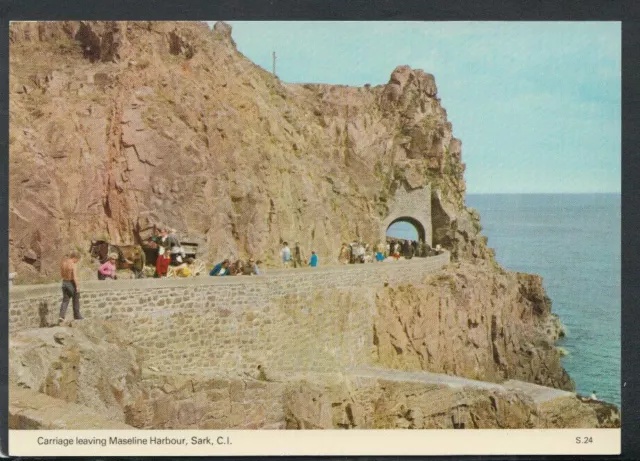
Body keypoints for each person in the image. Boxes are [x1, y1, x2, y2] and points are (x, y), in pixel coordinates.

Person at [59, 251, 83, 324]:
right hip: (71, 282)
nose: (77, 261)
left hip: (64, 282)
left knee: (65, 300)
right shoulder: (73, 265)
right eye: (77, 260)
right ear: (75, 258)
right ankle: (77, 316)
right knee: (76, 299)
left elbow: (62, 274)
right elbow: (75, 277)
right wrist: (77, 287)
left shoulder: (63, 263)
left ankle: (61, 316)